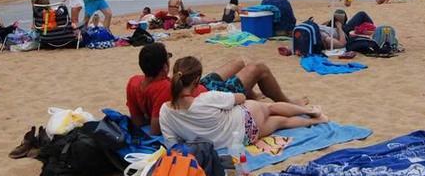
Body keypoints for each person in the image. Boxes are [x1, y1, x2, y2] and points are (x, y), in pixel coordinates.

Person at [126, 43, 306, 135]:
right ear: (165, 68)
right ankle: (286, 102)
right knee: (259, 68)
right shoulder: (164, 88)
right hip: (213, 94)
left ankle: (254, 94)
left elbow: (137, 121)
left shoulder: (134, 82)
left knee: (240, 62)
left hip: (196, 84)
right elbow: (156, 129)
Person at [159, 57, 327, 150]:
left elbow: (172, 144)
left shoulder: (165, 112)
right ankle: (310, 111)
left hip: (243, 139)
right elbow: (240, 98)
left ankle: (314, 121)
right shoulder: (207, 98)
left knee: (280, 122)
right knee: (271, 108)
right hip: (245, 119)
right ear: (197, 80)